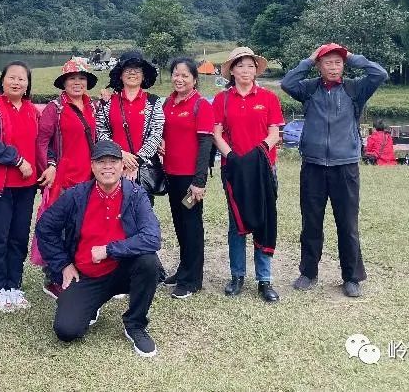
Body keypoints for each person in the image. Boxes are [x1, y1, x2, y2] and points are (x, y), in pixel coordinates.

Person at [280, 43, 388, 298]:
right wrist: (308, 60)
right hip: (313, 166)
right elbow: (286, 82)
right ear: (319, 66)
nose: (333, 67)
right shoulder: (309, 89)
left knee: (348, 224)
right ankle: (308, 273)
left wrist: (351, 56)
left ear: (344, 65)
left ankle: (351, 277)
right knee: (311, 222)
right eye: (327, 62)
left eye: (338, 62)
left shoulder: (355, 89)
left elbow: (380, 73)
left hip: (345, 166)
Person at [36, 139, 161, 358]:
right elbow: (45, 227)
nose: (107, 167)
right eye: (101, 162)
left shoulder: (136, 194)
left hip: (123, 270)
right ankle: (91, 305)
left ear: (122, 166)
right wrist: (63, 264)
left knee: (149, 262)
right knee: (66, 330)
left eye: (113, 161)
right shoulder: (76, 195)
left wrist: (109, 250)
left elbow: (152, 238)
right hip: (88, 274)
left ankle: (135, 324)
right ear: (92, 167)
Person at [212, 47, 284, 302]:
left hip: (264, 168)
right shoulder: (221, 99)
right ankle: (237, 275)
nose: (245, 70)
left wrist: (259, 151)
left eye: (250, 66)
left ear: (256, 70)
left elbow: (275, 132)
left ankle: (264, 279)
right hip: (233, 168)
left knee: (264, 219)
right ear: (232, 71)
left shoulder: (268, 98)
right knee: (237, 223)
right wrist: (232, 157)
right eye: (240, 66)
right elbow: (216, 134)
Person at [0, 61, 47, 312]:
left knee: (19, 236)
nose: (16, 82)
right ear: (2, 80)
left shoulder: (32, 110)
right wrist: (17, 160)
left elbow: (42, 143)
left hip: (25, 186)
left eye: (22, 79)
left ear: (28, 84)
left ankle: (14, 284)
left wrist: (48, 167)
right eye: (12, 77)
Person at [35, 59, 98, 298]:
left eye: (82, 78)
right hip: (63, 179)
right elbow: (42, 142)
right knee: (58, 228)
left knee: (80, 228)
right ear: (64, 82)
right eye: (72, 78)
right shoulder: (55, 108)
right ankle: (53, 277)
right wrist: (48, 167)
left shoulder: (92, 106)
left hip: (88, 178)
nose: (77, 82)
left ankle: (76, 272)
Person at [161, 57, 214, 299]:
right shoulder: (168, 103)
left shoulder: (201, 105)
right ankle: (184, 269)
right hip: (171, 174)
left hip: (190, 177)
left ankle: (192, 280)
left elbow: (205, 146)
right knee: (180, 224)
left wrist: (199, 181)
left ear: (194, 79)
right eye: (176, 74)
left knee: (192, 227)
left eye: (185, 75)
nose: (179, 79)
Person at [94, 50, 164, 195]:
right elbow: (101, 131)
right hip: (113, 169)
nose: (132, 73)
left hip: (142, 169)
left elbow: (156, 134)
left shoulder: (153, 102)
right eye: (127, 69)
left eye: (137, 70)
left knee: (142, 207)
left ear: (143, 75)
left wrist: (136, 162)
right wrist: (120, 155)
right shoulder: (108, 102)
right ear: (120, 74)